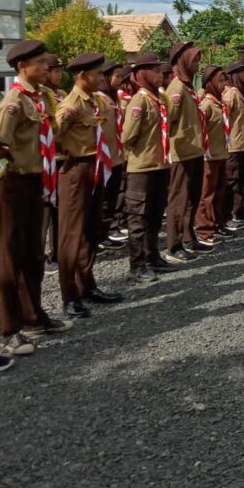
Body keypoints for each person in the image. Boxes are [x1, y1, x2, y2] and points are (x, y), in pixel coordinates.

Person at [0, 41, 69, 358]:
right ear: (22, 67)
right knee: (10, 259)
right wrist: (8, 172)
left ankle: (33, 316)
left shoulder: (38, 98)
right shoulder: (13, 101)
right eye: (39, 63)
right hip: (13, 183)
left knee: (33, 256)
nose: (45, 67)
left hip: (35, 180)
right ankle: (9, 329)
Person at [55, 53, 124, 318]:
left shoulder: (94, 101)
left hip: (95, 165)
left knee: (92, 229)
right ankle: (69, 295)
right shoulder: (71, 105)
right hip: (76, 170)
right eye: (96, 74)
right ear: (83, 76)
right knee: (72, 235)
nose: (100, 78)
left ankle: (87, 285)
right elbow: (51, 138)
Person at [122, 53, 174, 278]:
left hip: (159, 165)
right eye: (154, 71)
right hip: (141, 168)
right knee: (138, 217)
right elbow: (127, 136)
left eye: (160, 70)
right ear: (142, 74)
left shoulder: (159, 99)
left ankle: (152, 255)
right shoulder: (139, 101)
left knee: (154, 214)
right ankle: (137, 264)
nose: (160, 75)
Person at [166, 41, 212, 258]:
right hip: (182, 153)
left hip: (194, 150)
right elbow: (167, 122)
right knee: (179, 200)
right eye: (194, 61)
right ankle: (174, 246)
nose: (197, 65)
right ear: (183, 62)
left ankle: (188, 238)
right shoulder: (175, 89)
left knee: (192, 198)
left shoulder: (187, 87)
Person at [196, 66, 232, 245]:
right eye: (220, 80)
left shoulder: (219, 102)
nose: (223, 84)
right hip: (208, 156)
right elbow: (201, 131)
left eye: (225, 80)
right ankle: (204, 229)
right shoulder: (206, 104)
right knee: (206, 194)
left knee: (220, 191)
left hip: (221, 153)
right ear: (209, 82)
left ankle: (218, 223)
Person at [39, 53, 67, 276]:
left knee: (59, 209)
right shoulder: (39, 97)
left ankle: (56, 252)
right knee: (45, 209)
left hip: (62, 159)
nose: (60, 75)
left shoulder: (62, 95)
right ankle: (39, 256)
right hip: (44, 160)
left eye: (60, 70)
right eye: (56, 71)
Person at [97, 60, 128, 251]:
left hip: (116, 156)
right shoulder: (99, 99)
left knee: (111, 196)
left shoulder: (113, 98)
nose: (120, 81)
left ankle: (105, 233)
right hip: (103, 157)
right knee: (103, 198)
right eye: (117, 76)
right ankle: (99, 235)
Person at [222, 60, 244, 226]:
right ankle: (231, 216)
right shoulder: (231, 94)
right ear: (237, 75)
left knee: (241, 179)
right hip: (233, 145)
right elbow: (224, 119)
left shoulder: (241, 93)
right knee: (233, 181)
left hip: (241, 143)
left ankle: (239, 212)